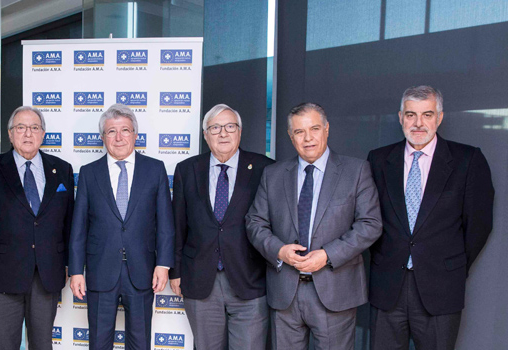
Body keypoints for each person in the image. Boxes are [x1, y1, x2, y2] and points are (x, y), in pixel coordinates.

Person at [366, 85, 494, 350]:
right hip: (388, 287)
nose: (418, 123)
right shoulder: (378, 160)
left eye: (427, 114)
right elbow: (368, 220)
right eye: (411, 115)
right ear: (400, 117)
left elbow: (478, 226)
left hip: (441, 287)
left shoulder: (467, 160)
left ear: (439, 117)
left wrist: (448, 264)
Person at [246, 102, 382, 349]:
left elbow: (370, 224)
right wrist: (279, 251)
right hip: (285, 292)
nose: (308, 138)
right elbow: (255, 222)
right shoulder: (273, 175)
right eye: (299, 132)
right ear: (291, 136)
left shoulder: (356, 170)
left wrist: (328, 255)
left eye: (315, 129)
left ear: (327, 129)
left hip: (334, 290)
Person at [69, 104, 174, 350]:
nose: (119, 137)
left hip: (143, 272)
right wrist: (75, 270)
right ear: (103, 137)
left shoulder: (155, 169)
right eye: (111, 131)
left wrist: (163, 264)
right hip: (100, 271)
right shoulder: (88, 173)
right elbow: (79, 227)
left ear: (135, 135)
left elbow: (166, 223)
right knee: (98, 343)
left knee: (140, 343)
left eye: (125, 130)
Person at [169, 104, 274, 349]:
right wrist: (175, 270)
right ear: (205, 135)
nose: (223, 133)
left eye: (230, 127)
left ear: (239, 132)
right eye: (215, 128)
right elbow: (178, 223)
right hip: (200, 278)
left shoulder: (265, 168)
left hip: (250, 279)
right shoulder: (187, 169)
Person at [0, 106, 75, 350]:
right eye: (20, 128)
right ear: (10, 134)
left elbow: (69, 223)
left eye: (34, 128)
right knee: (5, 344)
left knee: (42, 344)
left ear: (43, 134)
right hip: (3, 275)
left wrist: (68, 265)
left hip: (46, 275)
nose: (27, 134)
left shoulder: (62, 169)